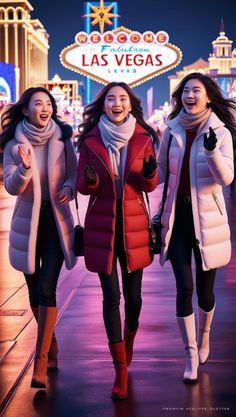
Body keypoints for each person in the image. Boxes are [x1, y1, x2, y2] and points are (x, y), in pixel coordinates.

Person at [76, 82, 158, 399]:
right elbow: (84, 186)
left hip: (134, 231)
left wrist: (150, 173)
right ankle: (119, 369)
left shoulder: (143, 138)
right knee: (111, 299)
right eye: (111, 98)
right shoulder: (91, 140)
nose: (117, 103)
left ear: (129, 104)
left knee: (133, 302)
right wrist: (90, 180)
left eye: (122, 98)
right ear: (104, 105)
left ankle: (130, 336)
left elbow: (147, 186)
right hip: (103, 230)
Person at [157, 73, 235, 383]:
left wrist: (213, 152)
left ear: (209, 97)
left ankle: (204, 337)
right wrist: (149, 173)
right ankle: (189, 354)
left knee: (205, 293)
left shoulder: (221, 132)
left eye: (196, 90)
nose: (190, 95)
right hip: (178, 219)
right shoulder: (172, 130)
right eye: (186, 90)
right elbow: (161, 171)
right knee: (184, 288)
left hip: (208, 221)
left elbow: (226, 178)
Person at [0, 87, 77, 389]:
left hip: (56, 223)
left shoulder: (63, 137)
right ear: (26, 110)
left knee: (47, 289)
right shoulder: (13, 144)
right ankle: (52, 343)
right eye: (38, 104)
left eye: (48, 104)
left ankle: (40, 360)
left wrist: (70, 188)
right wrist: (25, 167)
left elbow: (72, 174)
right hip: (27, 225)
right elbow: (11, 186)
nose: (44, 108)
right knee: (34, 292)